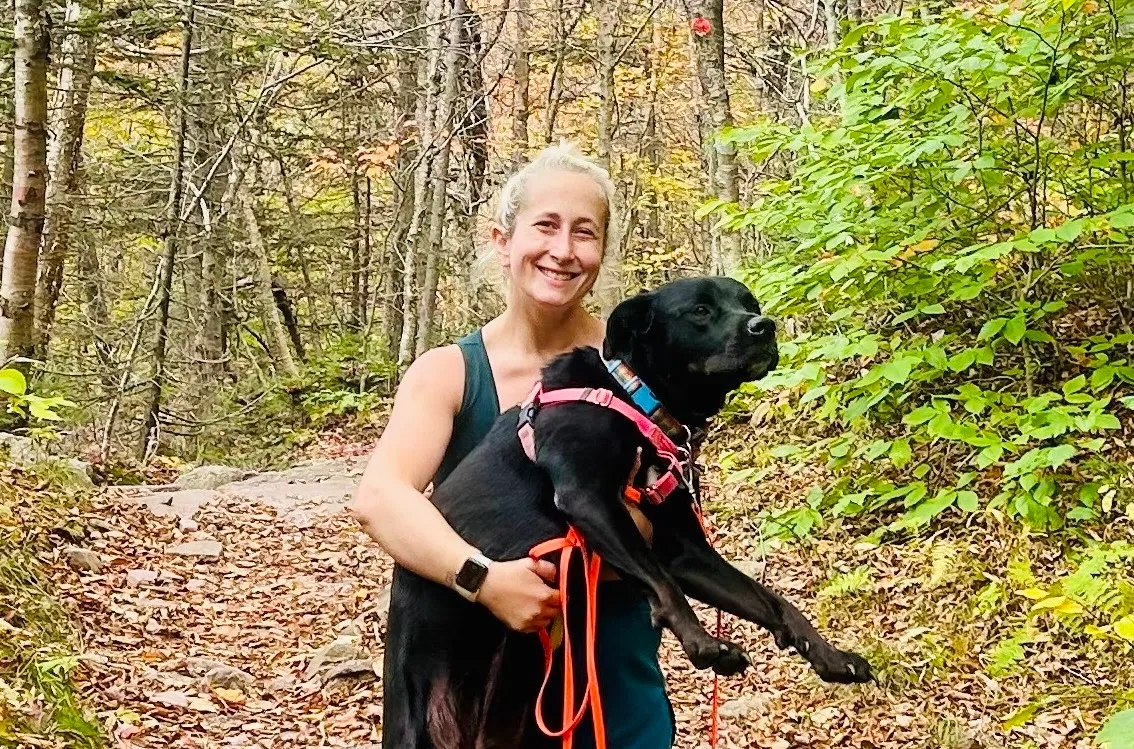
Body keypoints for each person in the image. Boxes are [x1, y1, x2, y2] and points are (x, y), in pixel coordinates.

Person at [350, 142, 675, 748]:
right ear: (502, 240)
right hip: (474, 695)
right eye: (545, 225)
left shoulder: (638, 373)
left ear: (602, 252)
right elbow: (381, 498)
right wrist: (486, 580)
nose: (564, 250)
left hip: (609, 690)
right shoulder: (450, 373)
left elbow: (668, 527)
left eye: (585, 232)